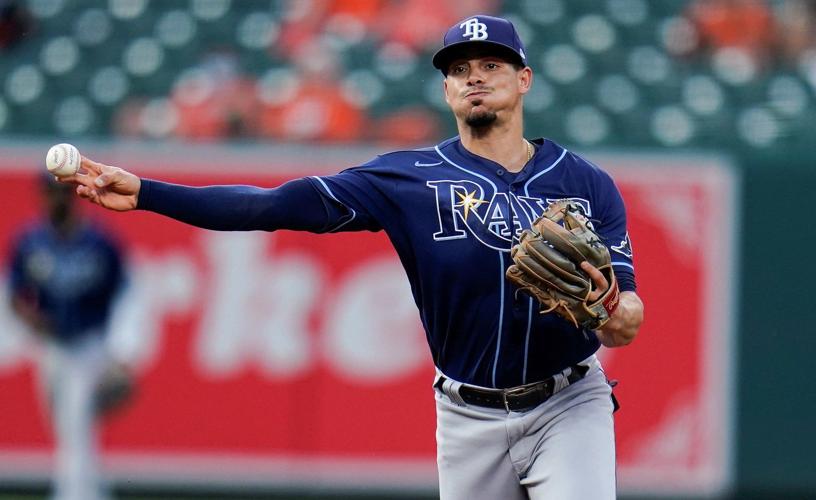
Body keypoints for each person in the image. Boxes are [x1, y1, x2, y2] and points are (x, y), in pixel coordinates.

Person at [60, 15, 644, 500]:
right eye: (460, 69)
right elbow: (272, 207)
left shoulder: (584, 183)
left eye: (491, 65)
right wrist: (149, 194)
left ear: (524, 79)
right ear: (445, 91)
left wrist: (607, 305)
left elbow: (627, 323)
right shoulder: (405, 179)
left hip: (568, 400)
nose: (474, 78)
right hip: (469, 418)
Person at [7, 175, 127, 500]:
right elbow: (15, 292)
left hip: (89, 345)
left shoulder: (99, 241)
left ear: (72, 196)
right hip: (51, 347)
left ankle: (73, 494)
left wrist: (120, 352)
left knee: (75, 424)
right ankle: (94, 491)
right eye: (49, 192)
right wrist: (29, 317)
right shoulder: (31, 240)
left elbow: (126, 293)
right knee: (65, 428)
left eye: (60, 192)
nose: (54, 199)